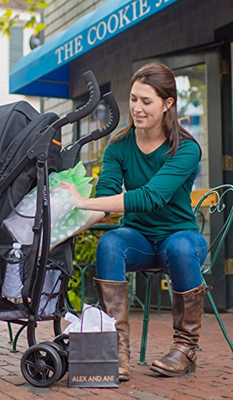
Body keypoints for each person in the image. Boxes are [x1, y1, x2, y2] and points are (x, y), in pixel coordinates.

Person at [61, 62, 208, 381]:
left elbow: (150, 197)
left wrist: (83, 200)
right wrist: (62, 232)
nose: (136, 108)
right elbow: (104, 202)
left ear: (168, 103)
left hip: (179, 237)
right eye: (133, 99)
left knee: (182, 247)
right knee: (111, 242)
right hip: (139, 240)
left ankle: (186, 348)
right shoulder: (119, 146)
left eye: (146, 101)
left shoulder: (186, 149)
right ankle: (117, 350)